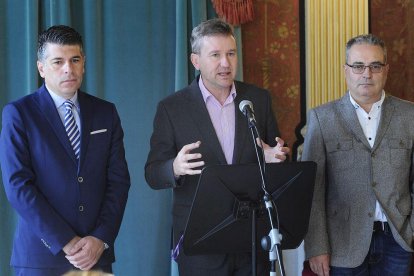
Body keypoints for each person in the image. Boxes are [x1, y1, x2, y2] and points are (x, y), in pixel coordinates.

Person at [145, 18, 290, 276]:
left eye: (231, 54)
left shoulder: (257, 99)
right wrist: (175, 167)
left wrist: (275, 158)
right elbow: (153, 173)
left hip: (251, 239)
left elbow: (273, 157)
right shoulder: (172, 108)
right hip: (201, 241)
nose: (226, 63)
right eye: (215, 55)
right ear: (196, 61)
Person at [0, 25, 130, 275]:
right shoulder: (19, 114)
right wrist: (66, 242)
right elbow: (18, 186)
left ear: (84, 63)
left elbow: (119, 182)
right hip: (40, 258)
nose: (68, 69)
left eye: (75, 60)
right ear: (41, 68)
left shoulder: (106, 113)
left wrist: (100, 239)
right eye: (58, 62)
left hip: (96, 257)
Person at [302, 34, 414, 275]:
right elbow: (312, 191)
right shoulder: (322, 119)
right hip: (342, 243)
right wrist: (316, 246)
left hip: (398, 241)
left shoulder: (410, 116)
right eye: (358, 66)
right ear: (346, 70)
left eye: (375, 66)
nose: (367, 74)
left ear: (386, 70)